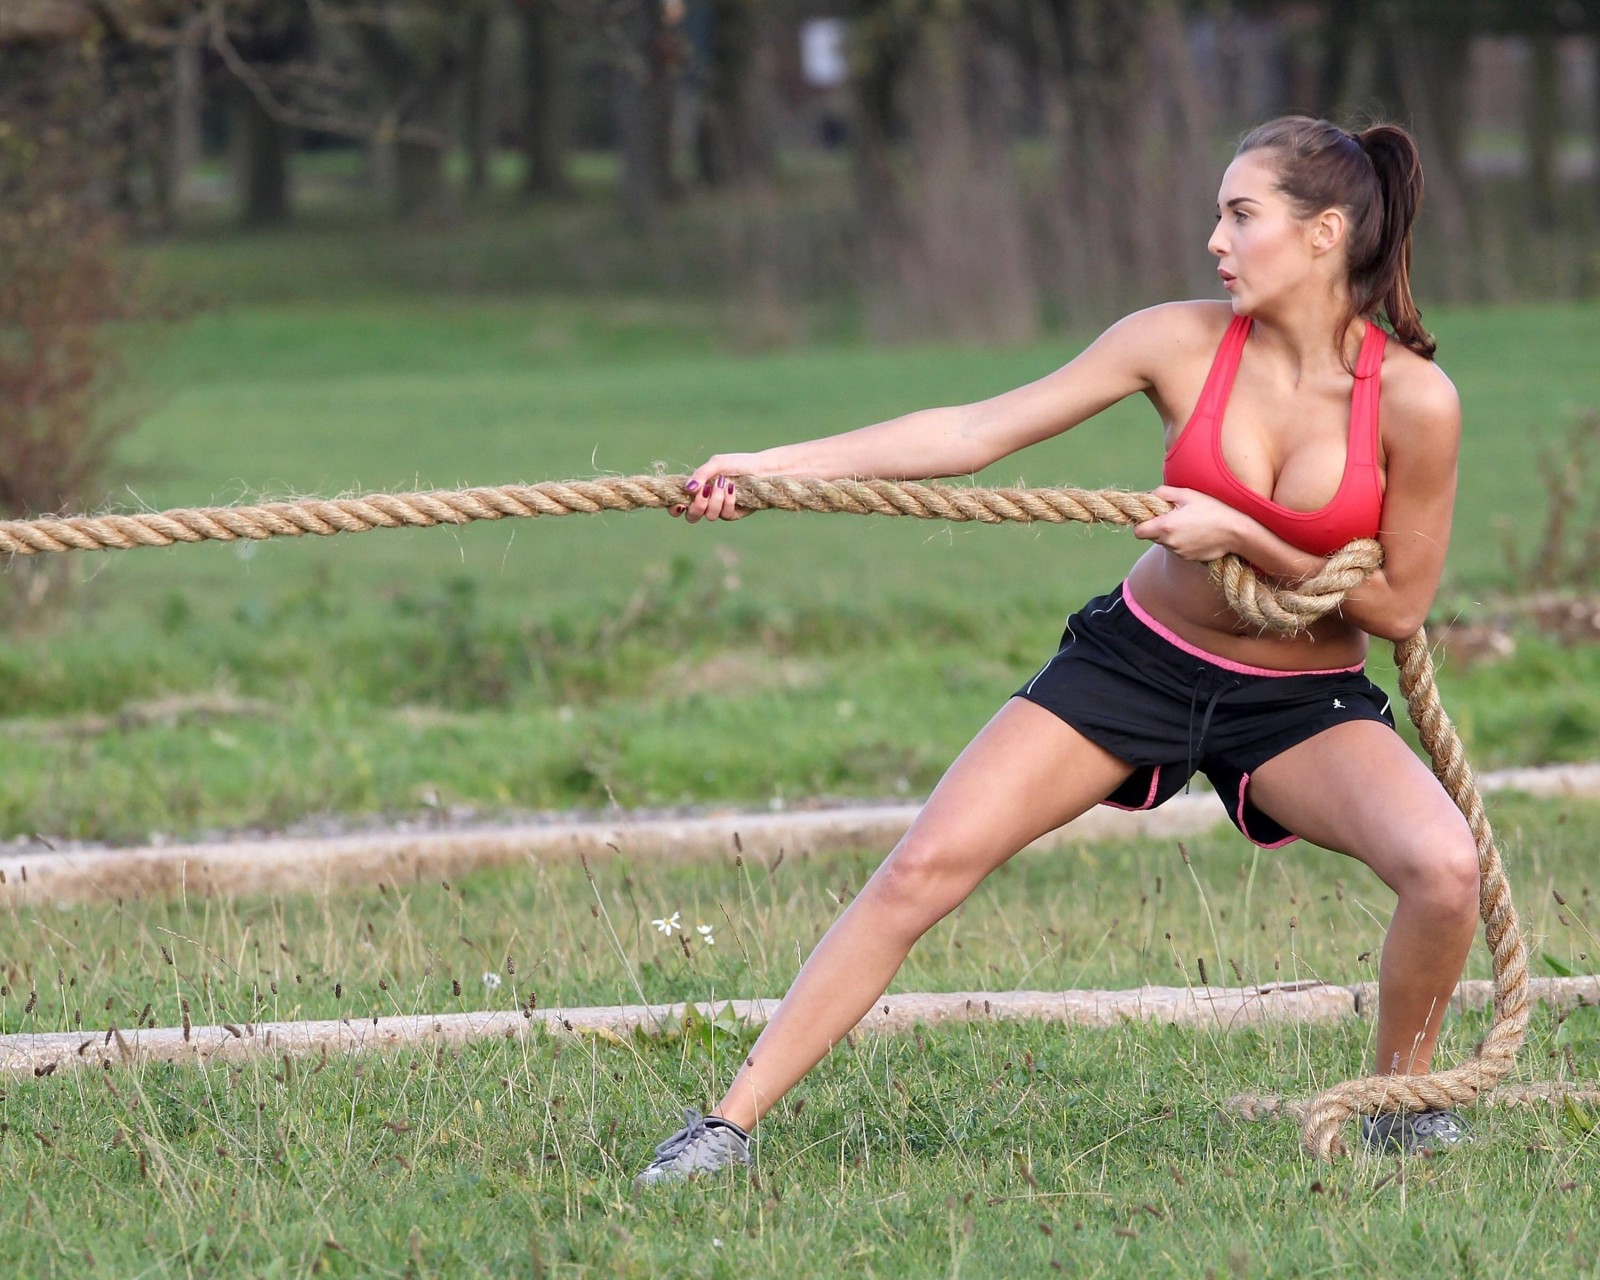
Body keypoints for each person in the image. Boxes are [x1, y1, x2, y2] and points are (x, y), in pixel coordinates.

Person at [634, 116, 1478, 1184]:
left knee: (1445, 869)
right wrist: (767, 466)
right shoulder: (1174, 339)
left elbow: (1399, 604)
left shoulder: (1411, 399)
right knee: (924, 865)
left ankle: (1401, 1101)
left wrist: (1244, 535)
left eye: (1238, 214)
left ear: (1323, 233)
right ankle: (726, 1124)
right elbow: (971, 433)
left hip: (1298, 700)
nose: (1213, 239)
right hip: (1136, 662)